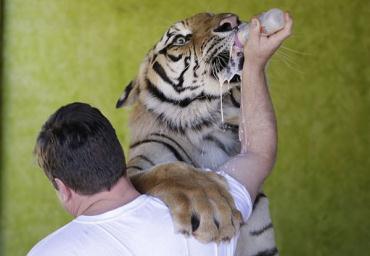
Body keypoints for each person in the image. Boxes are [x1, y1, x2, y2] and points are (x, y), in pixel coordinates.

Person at [28, 13, 292, 256]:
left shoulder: (49, 251)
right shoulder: (220, 200)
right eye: (180, 40)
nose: (225, 22)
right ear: (119, 155)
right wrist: (255, 65)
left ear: (62, 189)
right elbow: (259, 152)